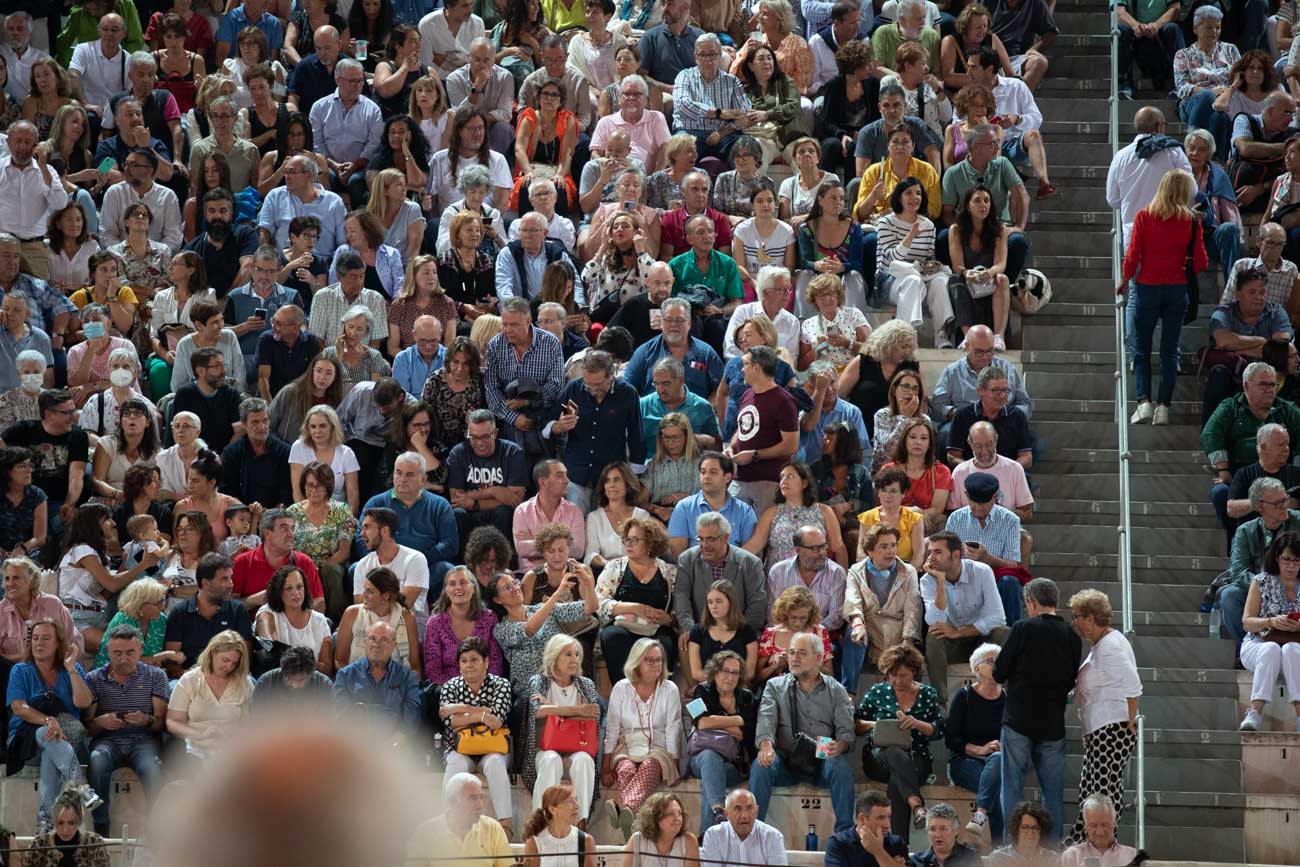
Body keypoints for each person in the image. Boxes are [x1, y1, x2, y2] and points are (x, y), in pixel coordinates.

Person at [993, 577, 1081, 843]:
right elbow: (1070, 680)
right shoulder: (1072, 636)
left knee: (1012, 787)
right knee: (1052, 792)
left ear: (1030, 602)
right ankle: (1051, 850)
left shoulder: (1022, 628)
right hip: (1052, 723)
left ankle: (1013, 847)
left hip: (1019, 719)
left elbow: (998, 673)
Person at [1120, 169, 1207, 425]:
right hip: (1177, 289)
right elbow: (1201, 261)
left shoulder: (1144, 217)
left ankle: (1143, 402)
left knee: (1141, 350)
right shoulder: (1192, 221)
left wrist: (1124, 280)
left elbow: (1133, 255)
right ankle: (1163, 407)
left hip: (1147, 288)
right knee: (1169, 352)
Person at [750, 630, 855, 832]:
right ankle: (755, 831)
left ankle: (845, 835)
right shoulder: (774, 685)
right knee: (761, 765)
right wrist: (765, 745)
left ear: (819, 658)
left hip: (821, 756)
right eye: (791, 652)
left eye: (801, 653)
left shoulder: (836, 689)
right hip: (786, 757)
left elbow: (846, 732)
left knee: (840, 767)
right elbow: (766, 719)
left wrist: (839, 745)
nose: (794, 658)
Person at [1064, 588, 1142, 846]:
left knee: (1102, 792)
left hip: (1112, 728)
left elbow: (1132, 683)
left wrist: (1130, 720)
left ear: (1090, 617)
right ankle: (1085, 842)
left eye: (1077, 616)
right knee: (1092, 791)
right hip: (1101, 729)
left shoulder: (1109, 646)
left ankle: (1096, 843)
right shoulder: (1101, 645)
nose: (1074, 622)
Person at [84, 623, 167, 837]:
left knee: (151, 767)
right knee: (97, 759)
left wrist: (146, 720)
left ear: (140, 649)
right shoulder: (94, 678)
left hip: (143, 740)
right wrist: (100, 722)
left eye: (130, 652)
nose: (123, 658)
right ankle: (101, 826)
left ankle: (156, 826)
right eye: (117, 653)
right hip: (108, 741)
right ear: (108, 652)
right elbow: (88, 726)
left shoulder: (155, 676)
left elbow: (160, 722)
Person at [855, 641, 944, 839]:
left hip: (916, 758)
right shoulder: (878, 691)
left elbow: (938, 731)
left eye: (902, 675)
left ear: (914, 671)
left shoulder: (927, 694)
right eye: (892, 675)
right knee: (892, 751)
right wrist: (877, 725)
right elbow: (857, 724)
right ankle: (917, 807)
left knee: (897, 780)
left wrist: (917, 724)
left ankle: (898, 846)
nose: (897, 681)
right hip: (878, 758)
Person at [600, 638, 683, 838]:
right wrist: (606, 764)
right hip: (627, 746)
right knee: (626, 768)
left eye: (659, 660)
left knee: (648, 766)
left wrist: (675, 763)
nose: (656, 665)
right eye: (650, 660)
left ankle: (622, 807)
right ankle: (633, 825)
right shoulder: (621, 688)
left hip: (659, 748)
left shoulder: (669, 688)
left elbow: (674, 728)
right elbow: (612, 729)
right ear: (637, 662)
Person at [437, 635, 514, 835]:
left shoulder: (501, 685)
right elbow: (449, 721)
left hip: (493, 747)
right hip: (460, 747)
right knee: (456, 764)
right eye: (464, 661)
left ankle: (505, 825)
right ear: (458, 665)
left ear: (486, 662)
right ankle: (446, 824)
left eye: (474, 660)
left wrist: (459, 709)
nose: (469, 665)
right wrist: (481, 714)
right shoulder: (450, 686)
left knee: (495, 763)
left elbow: (496, 718)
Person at [522, 634, 604, 823]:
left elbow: (593, 715)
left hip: (578, 748)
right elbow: (537, 712)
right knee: (551, 760)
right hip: (545, 749)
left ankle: (580, 822)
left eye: (576, 655)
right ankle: (541, 820)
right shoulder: (539, 681)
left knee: (584, 761)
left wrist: (554, 710)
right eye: (567, 654)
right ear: (554, 657)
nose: (574, 660)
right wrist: (576, 711)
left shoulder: (586, 685)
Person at [1236, 530, 1300, 732]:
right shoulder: (1261, 581)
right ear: (1276, 558)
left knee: (1291, 649)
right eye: (1286, 559)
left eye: (1297, 561)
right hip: (1259, 643)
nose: (1291, 566)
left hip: (1296, 645)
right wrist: (1271, 621)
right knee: (1271, 648)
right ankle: (1254, 713)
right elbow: (1247, 622)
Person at [944, 641, 1005, 851]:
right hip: (964, 760)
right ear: (977, 667)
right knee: (994, 791)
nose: (996, 665)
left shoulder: (1008, 699)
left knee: (997, 762)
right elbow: (951, 739)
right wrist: (979, 749)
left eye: (999, 661)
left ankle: (980, 815)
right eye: (990, 661)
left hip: (996, 761)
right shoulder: (965, 696)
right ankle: (1001, 851)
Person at [165, 628, 253, 762]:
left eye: (234, 663)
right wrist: (200, 735)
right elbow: (172, 722)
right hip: (194, 746)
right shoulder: (190, 680)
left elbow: (248, 724)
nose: (229, 666)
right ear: (213, 652)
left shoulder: (244, 684)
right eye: (225, 660)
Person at [162, 553, 255, 676]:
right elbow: (171, 661)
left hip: (230, 675)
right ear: (205, 583)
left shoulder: (237, 610)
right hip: (189, 677)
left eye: (230, 578)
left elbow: (244, 655)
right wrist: (186, 675)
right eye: (224, 579)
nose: (231, 584)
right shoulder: (179, 613)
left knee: (250, 682)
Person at [332, 618, 423, 734]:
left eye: (384, 640)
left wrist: (394, 744)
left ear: (393, 645)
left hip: (394, 746)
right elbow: (340, 717)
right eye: (372, 639)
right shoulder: (345, 675)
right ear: (365, 642)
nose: (376, 644)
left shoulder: (408, 677)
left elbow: (411, 721)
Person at [625, 298, 725, 402]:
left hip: (694, 415)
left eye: (679, 320)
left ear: (689, 323)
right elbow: (628, 388)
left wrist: (703, 410)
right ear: (661, 323)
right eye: (668, 320)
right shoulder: (645, 352)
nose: (674, 324)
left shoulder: (706, 353)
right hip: (653, 416)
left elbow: (721, 389)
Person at [408, 772, 514, 867]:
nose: (480, 805)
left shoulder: (492, 828)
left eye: (481, 797)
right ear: (453, 801)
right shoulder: (425, 832)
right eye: (472, 798)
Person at [668, 453, 759, 556]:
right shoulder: (684, 507)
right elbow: (678, 554)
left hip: (734, 569)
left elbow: (749, 555)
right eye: (703, 472)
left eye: (713, 472)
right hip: (694, 569)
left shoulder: (745, 511)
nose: (706, 477)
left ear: (728, 477)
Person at [255, 564, 333, 676]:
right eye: (288, 588)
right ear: (278, 591)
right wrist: (305, 661)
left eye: (299, 587)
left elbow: (326, 669)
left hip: (311, 682)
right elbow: (270, 647)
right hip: (279, 679)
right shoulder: (267, 613)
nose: (296, 593)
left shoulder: (320, 620)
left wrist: (297, 662)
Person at [822, 789, 910, 867]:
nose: (887, 825)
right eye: (880, 818)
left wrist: (879, 852)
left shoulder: (896, 843)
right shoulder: (838, 843)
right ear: (862, 818)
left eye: (889, 817)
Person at [25, 788, 109, 867]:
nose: (65, 829)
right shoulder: (39, 845)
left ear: (79, 820)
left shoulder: (95, 844)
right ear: (54, 820)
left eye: (71, 823)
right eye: (60, 823)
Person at [523, 783, 599, 867]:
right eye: (569, 801)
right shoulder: (535, 841)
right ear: (552, 809)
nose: (577, 806)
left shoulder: (586, 840)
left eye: (576, 800)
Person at [1058, 795, 1136, 867]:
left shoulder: (1132, 856)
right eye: (1093, 826)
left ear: (1115, 823)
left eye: (1105, 825)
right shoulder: (1070, 857)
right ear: (1085, 826)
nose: (1100, 832)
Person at [909, 803, 982, 867]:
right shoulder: (916, 861)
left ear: (956, 830)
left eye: (943, 829)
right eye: (932, 829)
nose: (937, 835)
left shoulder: (971, 858)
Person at [989, 801, 1057, 865]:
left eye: (1035, 828)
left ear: (1042, 831)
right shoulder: (999, 857)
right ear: (1016, 829)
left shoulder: (1051, 858)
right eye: (1025, 827)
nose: (1030, 832)